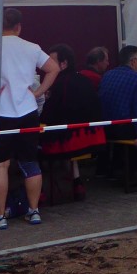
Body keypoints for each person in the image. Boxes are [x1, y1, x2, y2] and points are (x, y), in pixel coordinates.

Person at [0, 8, 58, 228]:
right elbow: (54, 68)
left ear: (0, 26)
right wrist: (38, 93)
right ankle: (34, 211)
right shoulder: (32, 47)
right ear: (19, 26)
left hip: (0, 112)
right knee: (30, 162)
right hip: (28, 110)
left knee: (0, 165)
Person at [38, 43, 106, 201]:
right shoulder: (85, 80)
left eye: (52, 62)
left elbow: (47, 117)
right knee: (65, 135)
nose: (48, 66)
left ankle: (40, 191)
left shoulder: (58, 84)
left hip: (70, 141)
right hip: (93, 138)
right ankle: (77, 182)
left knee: (31, 147)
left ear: (64, 64)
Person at [98, 44, 137, 177]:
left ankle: (114, 168)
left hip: (104, 128)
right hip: (122, 128)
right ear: (133, 61)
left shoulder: (108, 74)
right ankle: (128, 170)